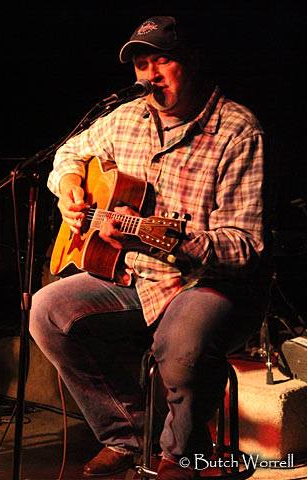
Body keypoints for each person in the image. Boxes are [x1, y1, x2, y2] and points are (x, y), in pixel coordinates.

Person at [29, 16, 269, 480]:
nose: (150, 74)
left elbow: (245, 248)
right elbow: (66, 154)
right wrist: (70, 186)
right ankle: (128, 435)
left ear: (193, 62)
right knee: (47, 311)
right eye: (142, 64)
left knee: (181, 346)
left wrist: (177, 238)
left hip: (203, 281)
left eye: (162, 60)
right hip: (132, 275)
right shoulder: (126, 116)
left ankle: (181, 456)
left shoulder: (238, 131)